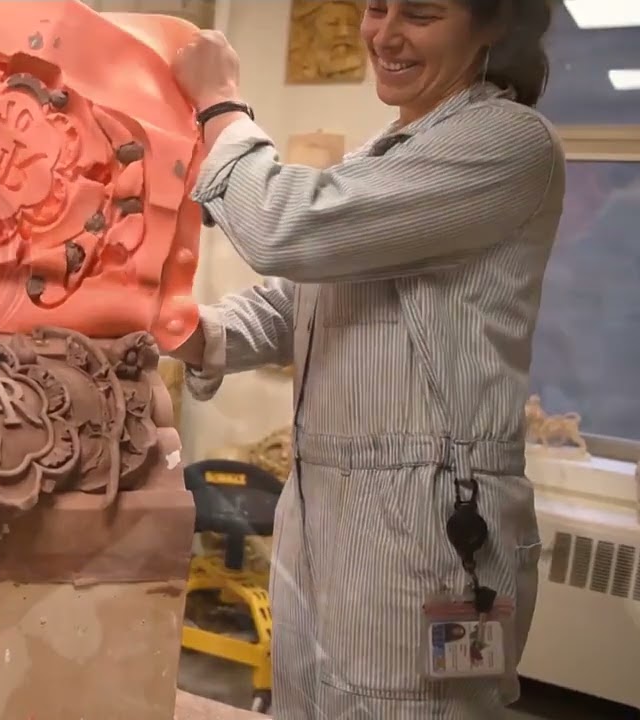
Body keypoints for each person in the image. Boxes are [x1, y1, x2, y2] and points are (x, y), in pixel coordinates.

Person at [170, 0, 562, 717]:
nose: (385, 34)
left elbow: (284, 226)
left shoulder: (505, 143)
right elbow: (300, 298)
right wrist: (192, 329)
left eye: (419, 12)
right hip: (324, 505)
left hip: (426, 522)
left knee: (393, 706)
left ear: (491, 25)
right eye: (376, 7)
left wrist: (220, 104)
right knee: (303, 696)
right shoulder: (386, 153)